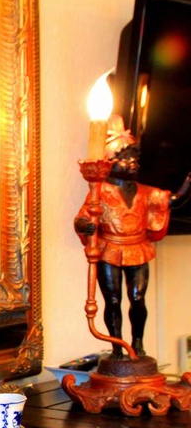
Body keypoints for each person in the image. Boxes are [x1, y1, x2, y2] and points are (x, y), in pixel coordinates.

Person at [74, 115, 190, 359]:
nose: (133, 162)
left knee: (137, 298)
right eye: (126, 158)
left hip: (138, 248)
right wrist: (85, 225)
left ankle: (138, 343)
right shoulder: (100, 191)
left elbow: (173, 201)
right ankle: (117, 346)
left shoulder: (146, 192)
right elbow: (83, 217)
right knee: (113, 300)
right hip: (109, 249)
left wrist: (188, 183)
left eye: (134, 157)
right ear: (111, 163)